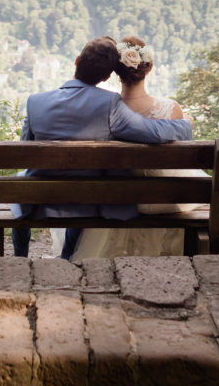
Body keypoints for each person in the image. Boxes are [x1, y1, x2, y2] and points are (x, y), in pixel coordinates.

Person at [11, 35, 193, 259]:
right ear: (107, 76)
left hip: (39, 198)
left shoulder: (35, 102)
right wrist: (185, 124)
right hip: (87, 200)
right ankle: (68, 257)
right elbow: (153, 132)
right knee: (83, 185)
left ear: (77, 61)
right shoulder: (109, 105)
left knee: (20, 182)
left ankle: (20, 257)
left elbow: (23, 154)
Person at [73, 34, 203, 258]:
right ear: (148, 67)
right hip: (165, 202)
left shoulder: (103, 109)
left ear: (116, 71)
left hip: (118, 200)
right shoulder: (171, 109)